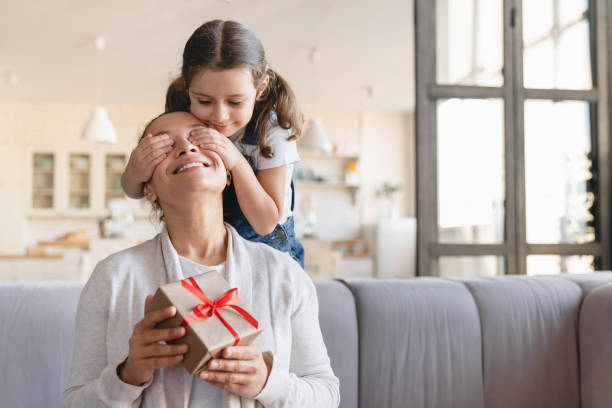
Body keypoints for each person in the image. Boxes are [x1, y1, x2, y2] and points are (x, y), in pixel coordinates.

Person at [63, 111, 339, 407]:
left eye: (200, 137)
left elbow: (326, 396)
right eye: (165, 146)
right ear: (149, 189)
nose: (186, 147)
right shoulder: (112, 278)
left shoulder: (282, 274)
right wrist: (129, 374)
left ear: (229, 172)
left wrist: (267, 382)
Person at [121, 20, 305, 267]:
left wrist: (236, 160)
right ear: (188, 90)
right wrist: (136, 170)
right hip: (217, 250)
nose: (220, 116)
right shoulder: (183, 111)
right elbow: (135, 190)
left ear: (260, 89)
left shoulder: (272, 129)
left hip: (271, 248)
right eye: (204, 101)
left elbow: (265, 223)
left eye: (235, 102)